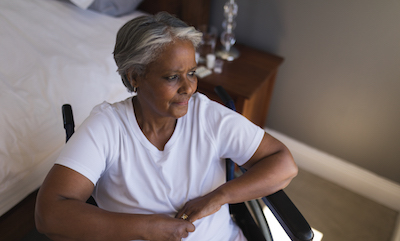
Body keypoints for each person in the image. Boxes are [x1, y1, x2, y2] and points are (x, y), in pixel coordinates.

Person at [35, 12, 297, 241]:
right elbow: (49, 215)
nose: (189, 88)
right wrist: (147, 228)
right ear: (135, 76)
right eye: (172, 77)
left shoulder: (206, 115)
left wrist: (218, 197)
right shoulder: (106, 127)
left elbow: (283, 164)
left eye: (192, 73)